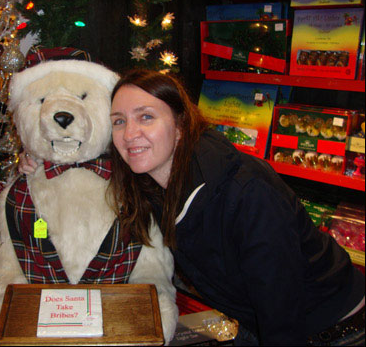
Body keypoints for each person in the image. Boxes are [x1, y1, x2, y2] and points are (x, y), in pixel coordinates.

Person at [19, 69, 365, 346]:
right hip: (254, 318)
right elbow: (90, 158)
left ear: (181, 125)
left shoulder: (245, 191)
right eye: (119, 121)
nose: (129, 134)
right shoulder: (152, 179)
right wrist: (37, 160)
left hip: (332, 328)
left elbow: (281, 306)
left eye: (147, 117)